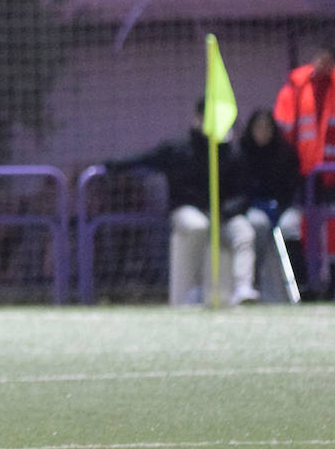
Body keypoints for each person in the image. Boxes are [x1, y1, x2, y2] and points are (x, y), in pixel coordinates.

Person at [105, 98, 258, 306]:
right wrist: (113, 165)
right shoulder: (178, 148)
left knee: (244, 231)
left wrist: (227, 211)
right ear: (198, 117)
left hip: (223, 215)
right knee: (198, 226)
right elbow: (146, 158)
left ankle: (243, 287)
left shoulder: (231, 152)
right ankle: (193, 289)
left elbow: (243, 192)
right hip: (187, 210)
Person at [273, 43, 335, 299]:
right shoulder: (298, 84)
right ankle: (303, 287)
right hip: (304, 175)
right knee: (294, 228)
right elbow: (282, 123)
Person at [236, 108, 306, 299]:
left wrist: (279, 205)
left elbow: (292, 186)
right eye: (258, 128)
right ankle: (254, 279)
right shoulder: (243, 154)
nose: (263, 132)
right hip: (255, 207)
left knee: (290, 226)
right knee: (257, 224)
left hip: (283, 206)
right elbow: (242, 188)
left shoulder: (286, 153)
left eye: (267, 128)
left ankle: (300, 283)